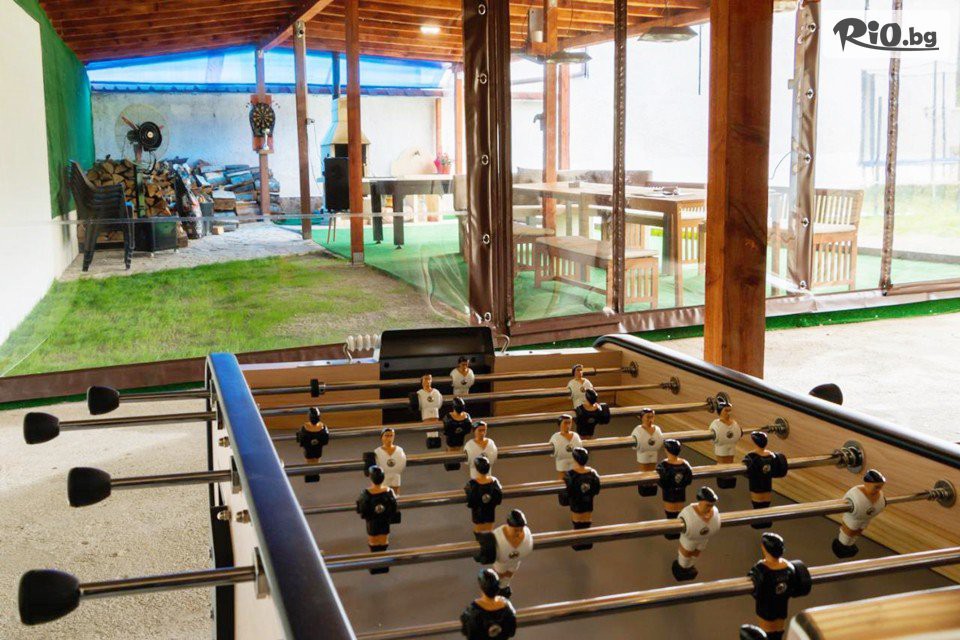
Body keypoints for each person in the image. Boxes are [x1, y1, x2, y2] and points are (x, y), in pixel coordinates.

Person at [748, 533, 811, 640]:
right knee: (778, 632)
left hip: (766, 609)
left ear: (765, 549)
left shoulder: (761, 569)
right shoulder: (789, 568)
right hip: (782, 608)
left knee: (767, 633)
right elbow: (793, 588)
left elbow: (755, 589)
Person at [474, 509, 533, 598]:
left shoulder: (527, 535)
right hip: (501, 564)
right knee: (500, 575)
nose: (519, 533)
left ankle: (504, 587)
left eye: (521, 529)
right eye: (516, 530)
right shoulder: (497, 536)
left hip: (514, 562)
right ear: (509, 526)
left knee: (509, 575)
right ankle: (496, 591)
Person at [833, 469, 887, 558]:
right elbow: (844, 502)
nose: (878, 490)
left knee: (858, 531)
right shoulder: (855, 494)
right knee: (850, 531)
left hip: (865, 518)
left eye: (880, 487)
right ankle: (842, 545)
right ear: (867, 483)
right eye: (876, 487)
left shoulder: (880, 495)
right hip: (854, 518)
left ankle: (850, 544)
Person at [356, 465, 400, 575]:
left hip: (373, 523)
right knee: (383, 541)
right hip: (384, 522)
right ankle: (383, 563)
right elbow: (394, 507)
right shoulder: (389, 491)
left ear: (371, 478)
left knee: (374, 542)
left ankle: (376, 563)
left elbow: (362, 510)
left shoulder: (366, 493)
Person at [672, 486, 721, 581]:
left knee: (697, 552)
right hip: (690, 539)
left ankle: (690, 566)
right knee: (687, 552)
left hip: (703, 539)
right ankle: (683, 567)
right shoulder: (688, 514)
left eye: (711, 505)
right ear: (700, 501)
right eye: (707, 505)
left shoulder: (714, 513)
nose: (710, 508)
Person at [742, 431, 789, 529]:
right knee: (765, 504)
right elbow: (778, 469)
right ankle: (765, 520)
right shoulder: (772, 456)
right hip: (767, 486)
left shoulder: (751, 456)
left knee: (757, 504)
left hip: (756, 486)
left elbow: (746, 471)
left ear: (755, 443)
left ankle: (758, 522)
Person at [561, 447, 601, 551]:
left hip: (576, 507)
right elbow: (596, 490)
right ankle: (587, 542)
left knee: (578, 525)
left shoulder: (570, 475)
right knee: (586, 525)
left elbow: (566, 495)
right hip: (588, 506)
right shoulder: (593, 473)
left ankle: (579, 543)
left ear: (574, 460)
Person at [459, 569, 517, 640]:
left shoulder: (472, 610)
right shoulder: (507, 607)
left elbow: (467, 632)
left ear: (481, 587)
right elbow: (512, 632)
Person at [656, 439, 693, 540]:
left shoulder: (664, 465)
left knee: (671, 514)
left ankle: (672, 532)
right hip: (681, 493)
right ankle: (678, 531)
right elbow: (689, 479)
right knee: (678, 513)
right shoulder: (685, 464)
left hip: (669, 494)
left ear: (667, 450)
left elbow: (660, 481)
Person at [464, 456, 503, 535]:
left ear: (476, 469)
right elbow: (498, 497)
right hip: (490, 510)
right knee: (489, 527)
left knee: (479, 528)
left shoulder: (472, 484)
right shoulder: (494, 482)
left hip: (478, 511)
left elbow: (470, 500)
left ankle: (479, 539)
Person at [708, 401, 743, 489]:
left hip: (731, 447)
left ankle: (730, 476)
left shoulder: (734, 423)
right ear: (720, 411)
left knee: (730, 463)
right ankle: (722, 478)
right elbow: (711, 437)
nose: (728, 413)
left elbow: (738, 434)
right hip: (721, 447)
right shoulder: (716, 424)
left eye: (729, 410)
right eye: (726, 411)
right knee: (722, 464)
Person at [364, 428, 407, 496]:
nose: (389, 438)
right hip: (383, 476)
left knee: (395, 493)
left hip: (395, 475)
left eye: (391, 436)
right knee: (383, 492)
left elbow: (403, 462)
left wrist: (398, 470)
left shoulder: (399, 450)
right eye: (386, 436)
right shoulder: (377, 451)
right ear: (382, 437)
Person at [631, 408, 663, 497]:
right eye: (648, 417)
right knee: (644, 470)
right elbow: (634, 444)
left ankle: (652, 485)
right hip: (643, 454)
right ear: (642, 418)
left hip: (654, 453)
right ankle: (644, 486)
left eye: (652, 417)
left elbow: (660, 440)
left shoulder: (657, 429)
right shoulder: (638, 430)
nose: (650, 419)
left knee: (652, 469)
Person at [296, 407, 329, 483]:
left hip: (312, 448)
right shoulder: (321, 427)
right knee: (313, 460)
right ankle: (313, 474)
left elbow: (301, 438)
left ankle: (312, 474)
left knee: (313, 460)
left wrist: (307, 442)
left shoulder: (307, 427)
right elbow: (325, 438)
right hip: (313, 448)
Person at [442, 397, 473, 471]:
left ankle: (452, 462)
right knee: (456, 449)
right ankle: (453, 462)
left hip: (453, 440)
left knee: (452, 450)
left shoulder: (448, 418)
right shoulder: (467, 418)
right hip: (458, 439)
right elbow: (468, 430)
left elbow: (446, 431)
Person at [549, 414, 582, 480]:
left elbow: (580, 448)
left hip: (574, 462)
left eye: (569, 423)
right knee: (562, 480)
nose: (568, 425)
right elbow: (551, 452)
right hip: (562, 462)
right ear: (560, 423)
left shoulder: (576, 436)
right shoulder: (555, 437)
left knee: (576, 479)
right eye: (565, 423)